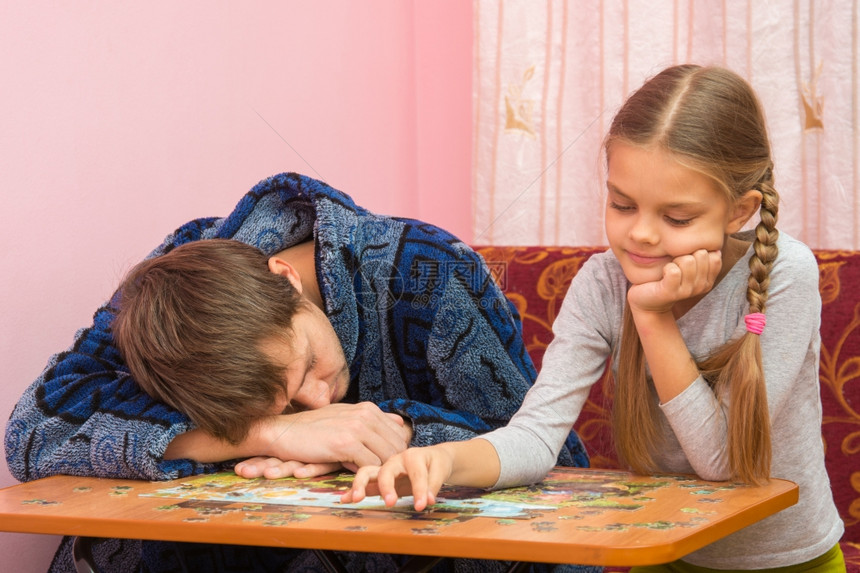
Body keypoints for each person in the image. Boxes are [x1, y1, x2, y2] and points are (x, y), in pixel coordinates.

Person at [344, 65, 846, 571]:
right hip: (661, 552)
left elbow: (720, 461)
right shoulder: (601, 282)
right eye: (622, 204)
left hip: (787, 560)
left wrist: (653, 318)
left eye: (677, 218)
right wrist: (448, 459)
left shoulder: (786, 275)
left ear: (740, 212)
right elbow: (538, 436)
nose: (641, 234)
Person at [4, 173, 592, 573]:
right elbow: (34, 431)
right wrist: (263, 434)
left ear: (285, 279)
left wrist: (385, 436)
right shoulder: (167, 294)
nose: (315, 400)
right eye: (285, 402)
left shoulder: (432, 272)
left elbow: (559, 462)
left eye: (308, 364)